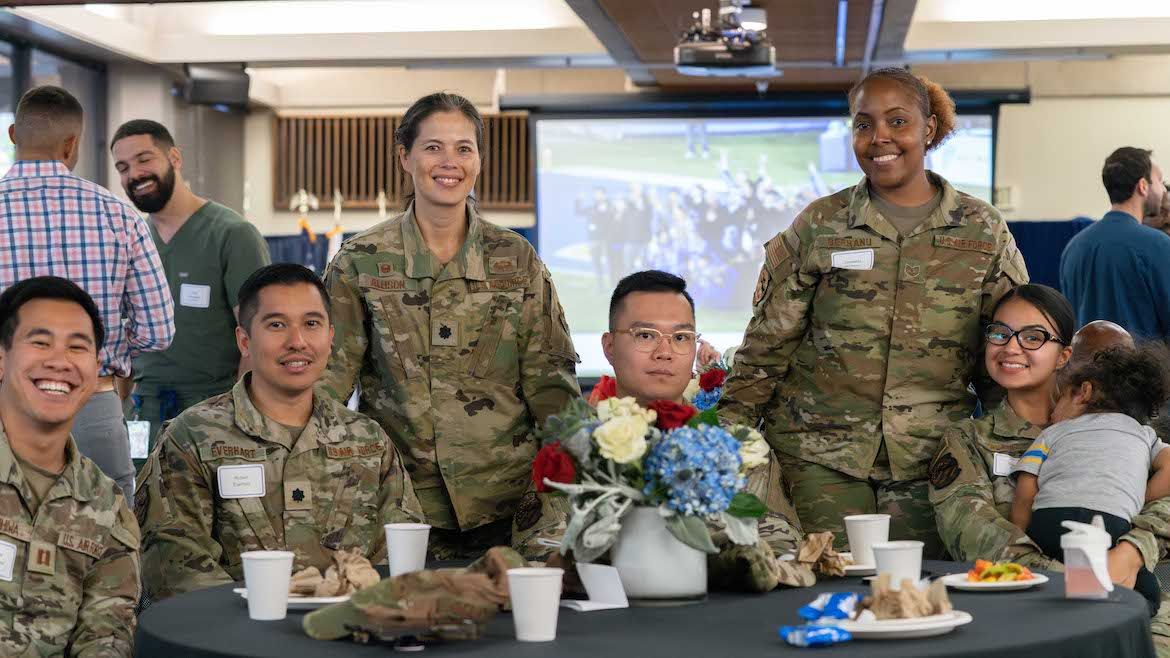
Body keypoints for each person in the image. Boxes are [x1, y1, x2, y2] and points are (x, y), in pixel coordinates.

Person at [719, 67, 1028, 555]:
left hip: (932, 456)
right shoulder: (821, 224)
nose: (879, 137)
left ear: (928, 129)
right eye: (863, 124)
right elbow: (768, 342)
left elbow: (1007, 353)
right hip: (820, 451)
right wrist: (727, 432)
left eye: (897, 121)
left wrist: (1011, 450)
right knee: (837, 578)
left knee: (921, 593)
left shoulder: (982, 230)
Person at [320, 93, 580, 560]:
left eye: (464, 148)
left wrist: (565, 498)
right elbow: (328, 387)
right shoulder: (361, 261)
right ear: (405, 156)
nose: (450, 162)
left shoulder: (515, 259)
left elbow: (552, 387)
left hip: (512, 508)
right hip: (400, 510)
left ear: (479, 159)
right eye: (433, 147)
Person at [136, 264, 423, 601]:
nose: (297, 342)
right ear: (244, 340)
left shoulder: (367, 440)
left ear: (331, 338)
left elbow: (399, 550)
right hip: (235, 637)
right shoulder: (194, 437)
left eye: (311, 324)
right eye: (276, 325)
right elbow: (174, 563)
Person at [929, 289, 1170, 650]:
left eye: (1032, 337)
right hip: (1020, 608)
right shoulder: (967, 441)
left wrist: (1133, 551)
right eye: (999, 333)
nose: (1011, 347)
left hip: (1134, 605)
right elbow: (975, 538)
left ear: (1064, 356)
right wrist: (1085, 579)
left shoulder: (1120, 433)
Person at [0, 85, 174, 502]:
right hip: (90, 402)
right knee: (105, 537)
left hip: (5, 400)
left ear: (12, 135)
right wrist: (107, 350)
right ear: (72, 143)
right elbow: (159, 330)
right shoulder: (118, 214)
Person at [595, 269, 802, 554]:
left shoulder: (735, 444)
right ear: (609, 346)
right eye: (645, 335)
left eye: (681, 337)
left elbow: (783, 542)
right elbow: (544, 544)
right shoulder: (582, 443)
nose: (664, 352)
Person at [0, 276, 140, 656]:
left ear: (96, 368)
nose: (59, 361)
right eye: (40, 342)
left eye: (77, 347)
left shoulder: (106, 508)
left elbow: (106, 633)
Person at [111, 120, 271, 451]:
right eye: (123, 167)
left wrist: (236, 415)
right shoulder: (129, 239)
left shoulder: (232, 235)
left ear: (174, 158)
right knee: (141, 499)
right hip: (144, 413)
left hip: (214, 411)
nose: (134, 175)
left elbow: (258, 337)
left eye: (144, 159)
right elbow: (121, 339)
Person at [1009, 343, 1170, 614]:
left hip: (1049, 520)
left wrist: (1022, 532)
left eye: (1059, 398)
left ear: (1083, 392)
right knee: (1146, 594)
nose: (1051, 413)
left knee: (1054, 583)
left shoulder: (1052, 433)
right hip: (1112, 524)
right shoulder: (1144, 435)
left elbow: (1027, 486)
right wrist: (1135, 497)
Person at [1060, 147, 1170, 340]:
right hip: (1142, 369)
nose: (1163, 190)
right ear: (1143, 186)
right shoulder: (1158, 245)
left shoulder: (1073, 247)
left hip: (1084, 368)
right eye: (1160, 181)